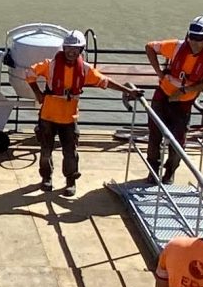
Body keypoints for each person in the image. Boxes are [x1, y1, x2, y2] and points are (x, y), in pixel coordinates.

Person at [24, 30, 139, 197]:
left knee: (70, 153)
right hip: (48, 116)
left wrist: (128, 90)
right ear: (63, 48)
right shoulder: (51, 65)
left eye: (75, 48)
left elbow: (105, 81)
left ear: (81, 50)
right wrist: (37, 93)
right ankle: (46, 178)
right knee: (45, 150)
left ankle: (70, 182)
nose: (71, 51)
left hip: (69, 118)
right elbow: (30, 73)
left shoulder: (85, 69)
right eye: (68, 48)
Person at [144, 15, 203, 184]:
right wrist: (159, 72)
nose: (194, 42)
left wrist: (184, 91)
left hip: (184, 103)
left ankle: (170, 171)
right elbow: (150, 47)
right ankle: (153, 171)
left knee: (178, 141)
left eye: (199, 39)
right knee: (154, 137)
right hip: (163, 96)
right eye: (191, 37)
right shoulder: (177, 47)